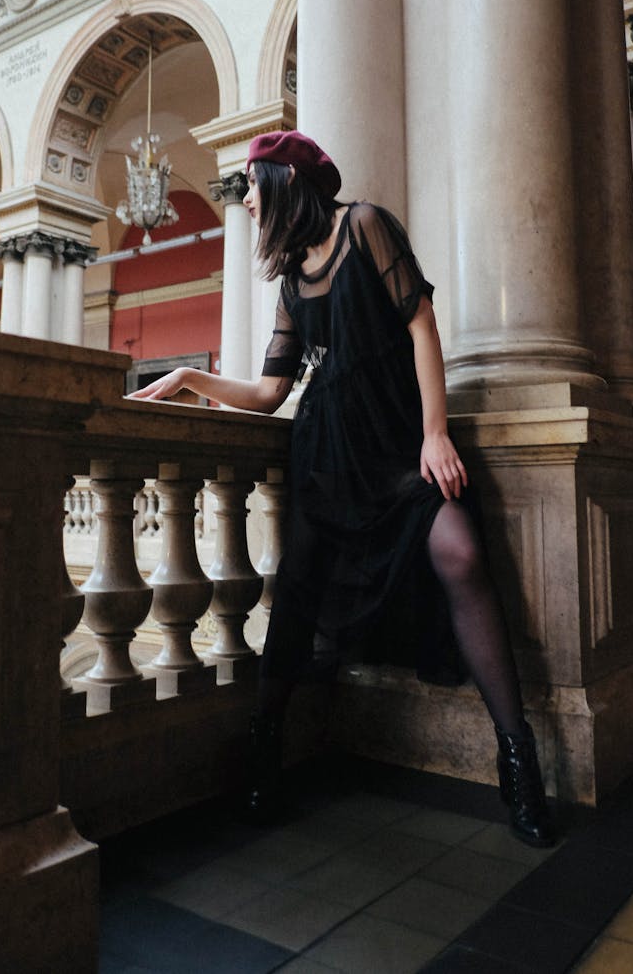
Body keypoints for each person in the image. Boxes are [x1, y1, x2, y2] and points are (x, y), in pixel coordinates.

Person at [130, 130, 555, 848]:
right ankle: (264, 751)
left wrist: (435, 433)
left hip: (397, 442)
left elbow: (420, 324)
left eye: (255, 184)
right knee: (296, 593)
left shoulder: (365, 225)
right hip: (327, 453)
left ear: (286, 180)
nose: (252, 199)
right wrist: (189, 379)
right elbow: (270, 390)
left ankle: (519, 762)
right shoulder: (292, 277)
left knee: (460, 554)